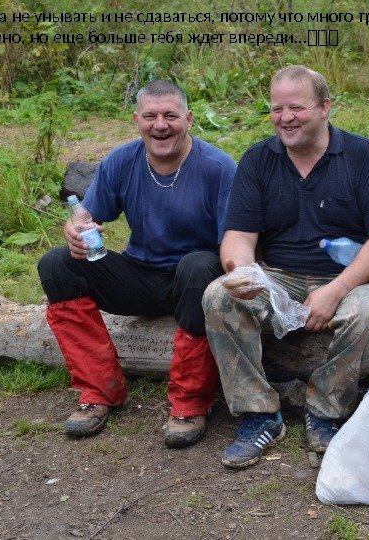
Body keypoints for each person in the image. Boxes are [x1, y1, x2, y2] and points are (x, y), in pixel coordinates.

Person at [202, 66, 369, 469]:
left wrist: (336, 290)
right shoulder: (259, 159)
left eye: (297, 107)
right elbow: (238, 236)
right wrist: (242, 270)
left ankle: (325, 410)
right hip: (278, 272)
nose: (286, 117)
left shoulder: (362, 155)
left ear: (325, 107)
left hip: (349, 276)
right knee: (218, 296)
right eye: (277, 108)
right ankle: (259, 414)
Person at [37, 80, 237, 448]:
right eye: (150, 116)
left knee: (197, 264)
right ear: (137, 120)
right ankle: (100, 391)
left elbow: (233, 243)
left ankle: (190, 402)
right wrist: (75, 229)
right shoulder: (121, 160)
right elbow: (88, 216)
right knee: (57, 264)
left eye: (170, 116)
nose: (160, 125)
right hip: (139, 277)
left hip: (195, 285)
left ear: (188, 119)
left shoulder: (218, 168)